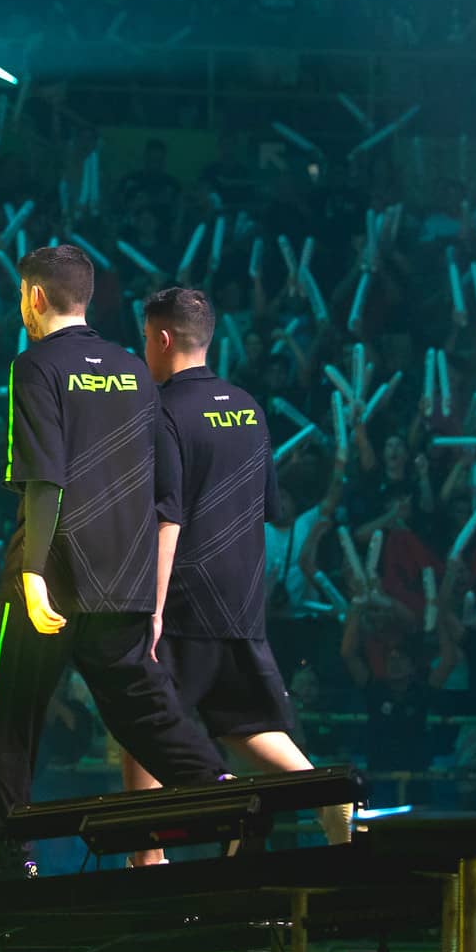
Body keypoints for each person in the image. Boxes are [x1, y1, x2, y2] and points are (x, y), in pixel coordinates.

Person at [0, 250, 228, 879]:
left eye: (21, 296)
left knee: (6, 717)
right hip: (125, 574)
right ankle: (224, 796)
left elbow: (44, 478)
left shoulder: (35, 365)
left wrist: (32, 573)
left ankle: (11, 859)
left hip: (53, 571)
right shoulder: (135, 370)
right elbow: (164, 487)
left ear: (35, 298)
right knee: (144, 713)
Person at [120, 286, 351, 862]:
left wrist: (151, 610)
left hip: (182, 598)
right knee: (242, 721)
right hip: (242, 597)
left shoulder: (162, 411)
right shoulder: (247, 407)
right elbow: (266, 507)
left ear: (163, 339)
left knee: (141, 715)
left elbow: (167, 517)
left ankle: (147, 858)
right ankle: (326, 795)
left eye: (145, 338)